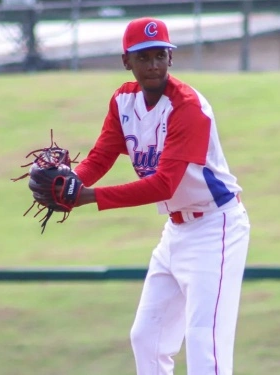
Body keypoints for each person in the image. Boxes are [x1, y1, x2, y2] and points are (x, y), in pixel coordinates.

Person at [66, 17, 251, 375]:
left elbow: (165, 184)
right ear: (126, 61)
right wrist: (70, 181)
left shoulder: (187, 107)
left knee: (204, 345)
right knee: (146, 338)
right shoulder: (123, 101)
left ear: (171, 58)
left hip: (216, 227)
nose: (152, 65)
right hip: (176, 231)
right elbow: (101, 155)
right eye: (143, 56)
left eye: (160, 55)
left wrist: (87, 197)